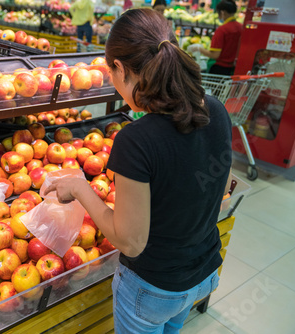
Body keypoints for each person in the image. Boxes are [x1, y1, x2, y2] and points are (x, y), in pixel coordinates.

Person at [45, 8, 232, 334]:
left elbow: (130, 242)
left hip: (155, 289)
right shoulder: (215, 108)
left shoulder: (137, 140)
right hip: (204, 272)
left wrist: (78, 187)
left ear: (119, 68)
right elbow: (212, 194)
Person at [189, 0, 242, 75]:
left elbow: (215, 55)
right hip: (234, 69)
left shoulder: (222, 30)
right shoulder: (241, 28)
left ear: (222, 12)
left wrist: (199, 48)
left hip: (220, 70)